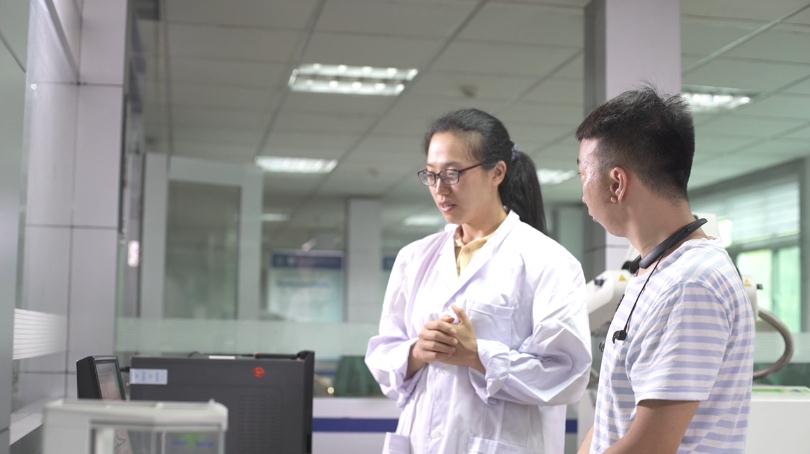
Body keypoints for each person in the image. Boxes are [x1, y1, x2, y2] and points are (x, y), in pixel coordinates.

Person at [365, 108, 591, 454]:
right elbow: (383, 356)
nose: (440, 189)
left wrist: (478, 356)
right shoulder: (415, 258)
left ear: (497, 172)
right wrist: (416, 352)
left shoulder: (548, 262)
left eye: (453, 173)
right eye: (431, 175)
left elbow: (567, 375)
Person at [575, 88, 755, 454]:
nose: (582, 194)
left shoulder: (692, 283)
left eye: (583, 174)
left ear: (616, 183)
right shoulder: (655, 272)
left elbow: (651, 446)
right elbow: (615, 414)